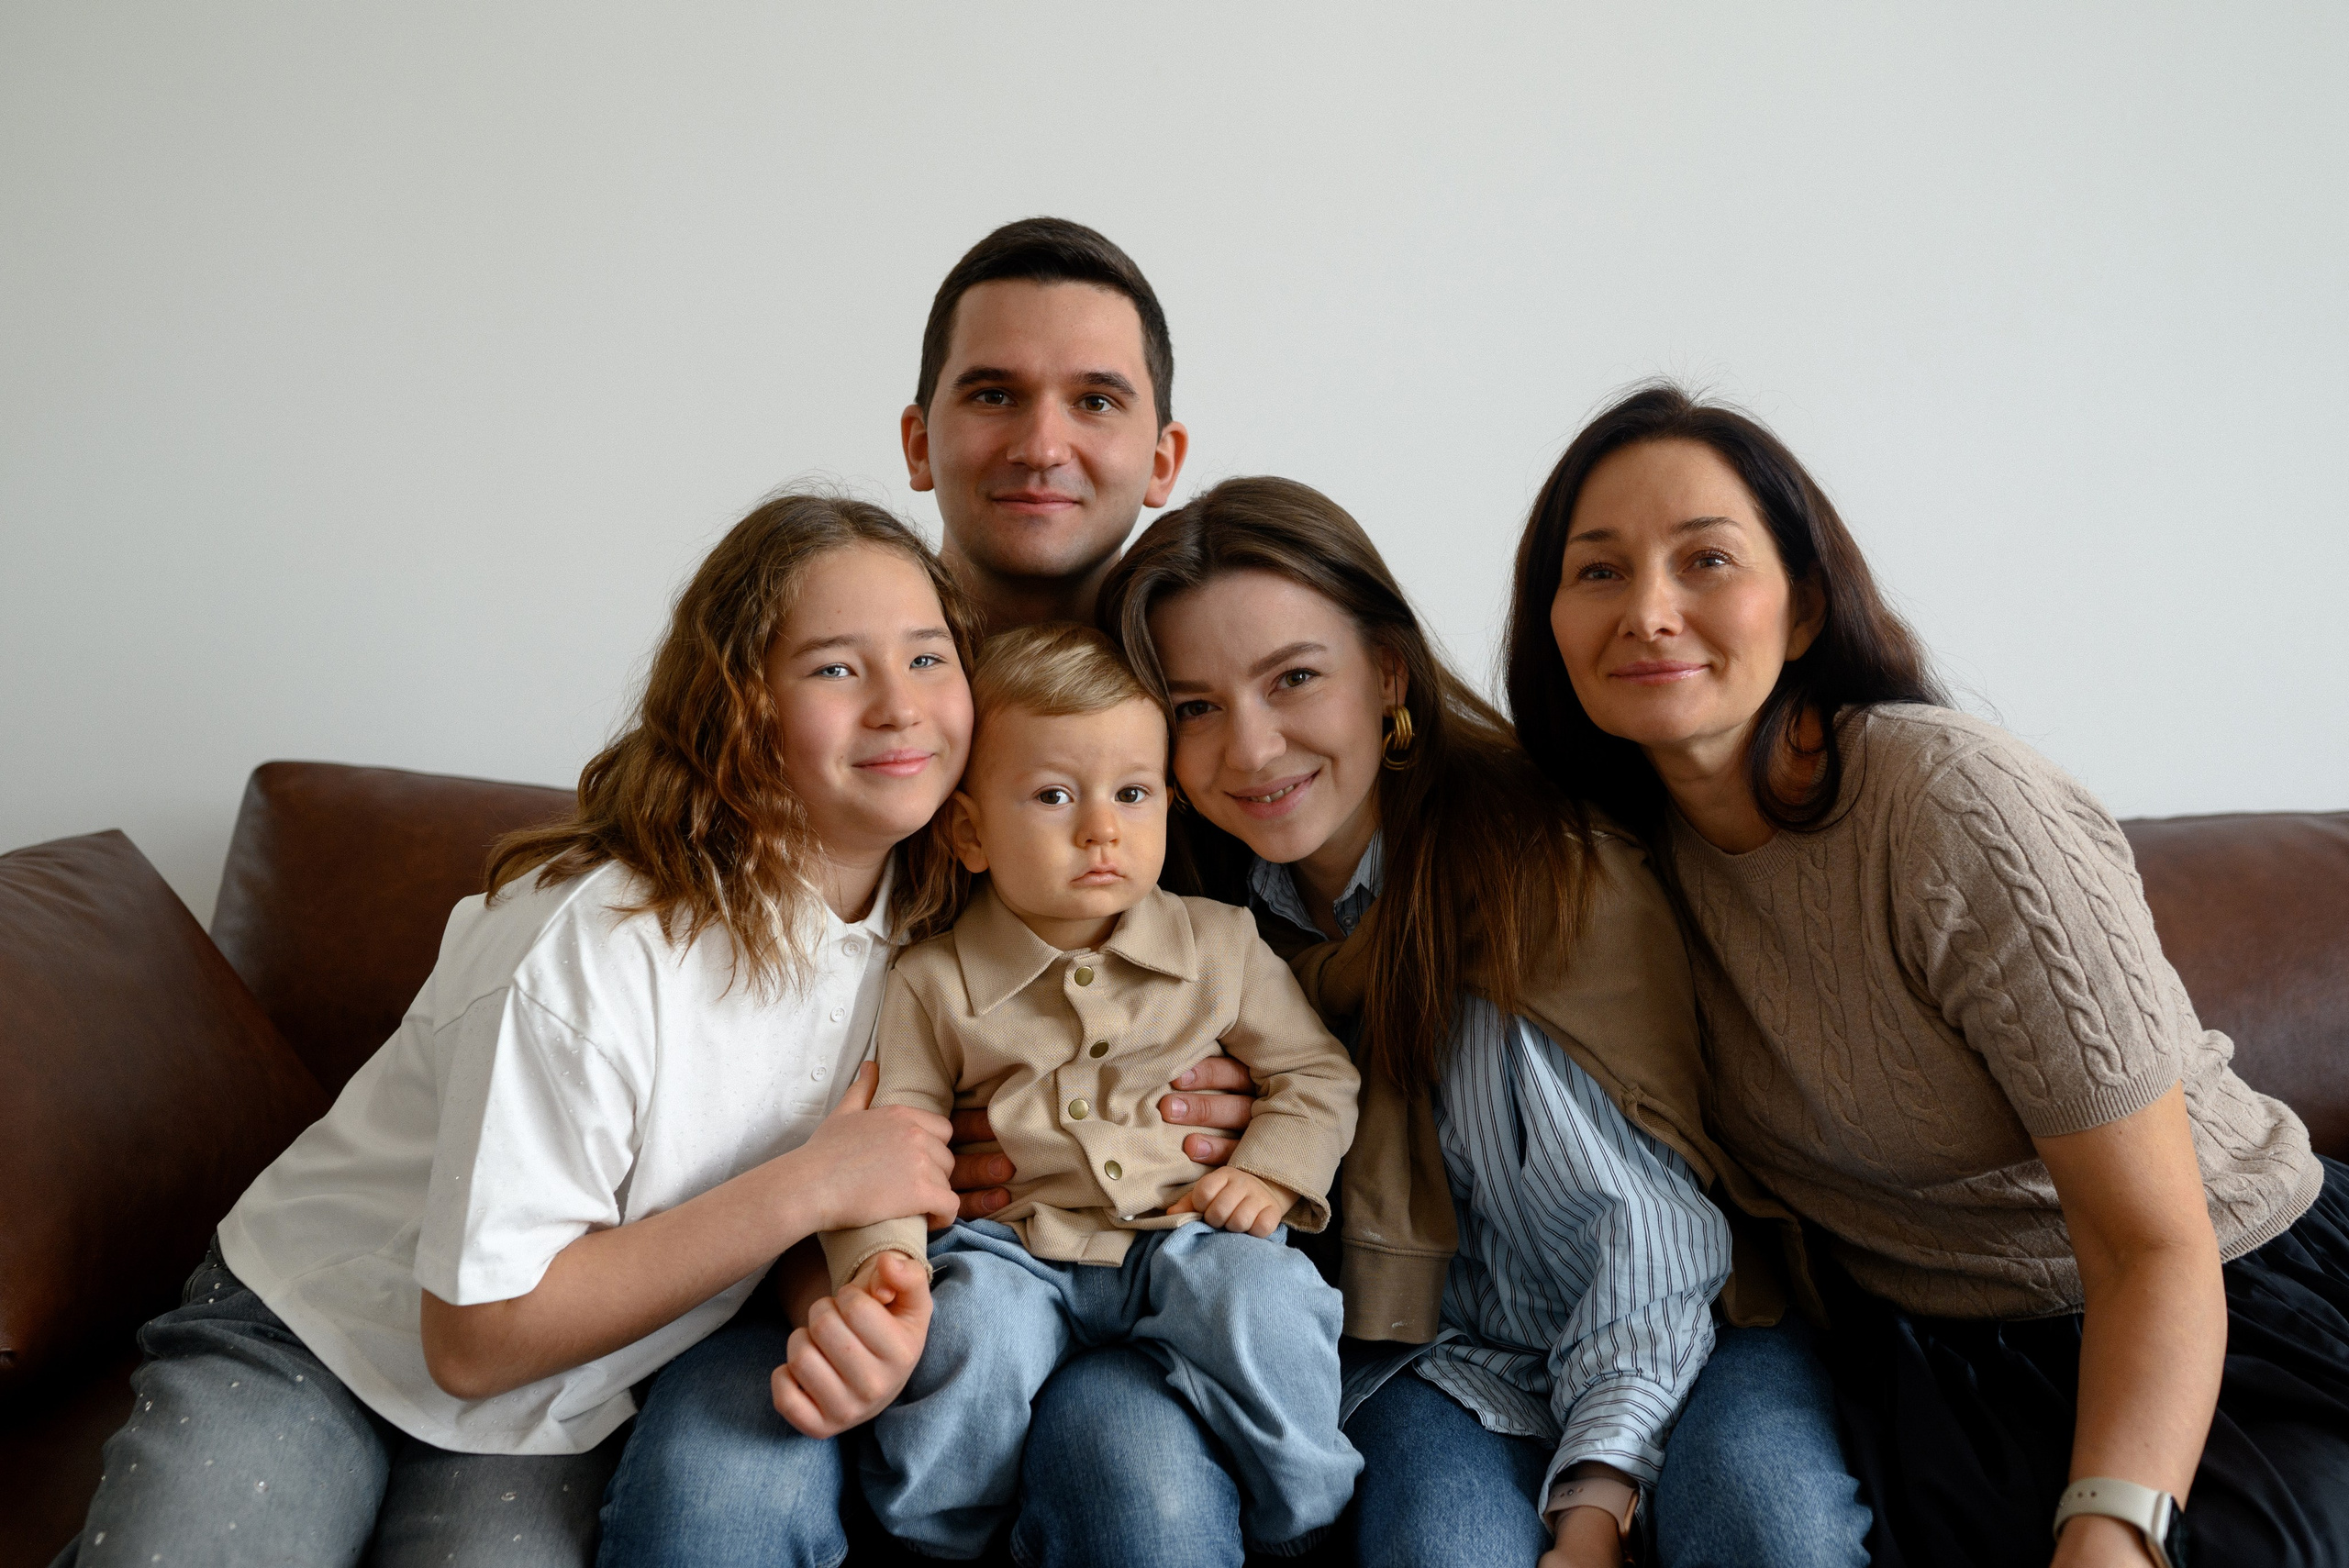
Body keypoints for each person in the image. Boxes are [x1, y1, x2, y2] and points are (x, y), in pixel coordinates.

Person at [1505, 382, 2349, 1568]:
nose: (1649, 610)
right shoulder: (1609, 867)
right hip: (1934, 1356)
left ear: (1802, 609)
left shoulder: (1950, 807)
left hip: (2213, 1304)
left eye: (1706, 560)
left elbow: (2153, 1246)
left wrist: (2113, 1530)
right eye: (1597, 571)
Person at [56, 495, 974, 1568]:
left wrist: (843, 1302)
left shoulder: (936, 940)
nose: (900, 707)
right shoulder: (592, 941)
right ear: (739, 707)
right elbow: (476, 1333)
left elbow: (743, 1204)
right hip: (319, 1332)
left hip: (558, 1405)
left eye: (926, 657)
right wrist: (812, 1187)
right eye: (833, 667)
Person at [1096, 476, 1872, 1568]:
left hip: (1690, 1317)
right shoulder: (1187, 933)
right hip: (1436, 1350)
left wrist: (1593, 1504)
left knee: (1767, 1532)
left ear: (1388, 674)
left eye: (1295, 679)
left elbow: (1643, 1236)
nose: (1252, 748)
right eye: (1194, 708)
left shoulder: (1534, 880)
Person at [820, 621, 1362, 1559]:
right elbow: (891, 1132)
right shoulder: (932, 979)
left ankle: (1301, 1509)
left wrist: (1270, 1174)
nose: (1100, 826)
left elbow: (1314, 1074)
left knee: (1267, 1298)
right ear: (970, 831)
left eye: (1132, 792)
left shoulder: (1218, 942)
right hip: (1012, 1247)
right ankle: (942, 1530)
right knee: (968, 1331)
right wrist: (884, 1259)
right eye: (1054, 794)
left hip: (1184, 1230)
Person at [905, 217, 1190, 637]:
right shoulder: (796, 691)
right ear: (920, 446)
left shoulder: (1228, 695)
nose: (1042, 450)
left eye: (1096, 402)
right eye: (993, 396)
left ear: (1162, 464)